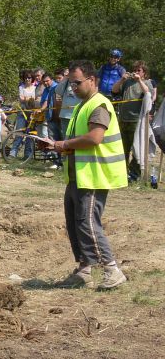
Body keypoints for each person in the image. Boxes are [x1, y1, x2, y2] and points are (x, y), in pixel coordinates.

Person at [42, 60, 128, 289]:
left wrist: (65, 143)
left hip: (94, 176)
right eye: (70, 83)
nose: (73, 88)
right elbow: (79, 142)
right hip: (78, 176)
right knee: (74, 222)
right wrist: (57, 146)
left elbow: (94, 138)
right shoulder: (82, 105)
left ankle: (112, 269)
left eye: (77, 83)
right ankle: (84, 270)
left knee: (87, 222)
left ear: (92, 80)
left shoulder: (99, 104)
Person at [111, 60, 153, 181]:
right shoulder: (127, 82)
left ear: (144, 72)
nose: (135, 72)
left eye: (138, 70)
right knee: (122, 148)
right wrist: (122, 80)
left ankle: (134, 174)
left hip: (137, 121)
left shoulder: (147, 83)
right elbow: (114, 91)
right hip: (123, 119)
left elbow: (148, 93)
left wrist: (139, 80)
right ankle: (122, 172)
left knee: (136, 148)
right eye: (134, 70)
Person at [8, 70, 37, 160]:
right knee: (19, 132)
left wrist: (27, 99)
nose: (27, 79)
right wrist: (30, 98)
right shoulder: (21, 87)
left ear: (32, 78)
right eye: (26, 78)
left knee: (30, 134)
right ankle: (13, 152)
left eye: (29, 78)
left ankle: (27, 154)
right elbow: (21, 98)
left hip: (32, 113)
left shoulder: (35, 87)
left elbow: (35, 99)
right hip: (22, 112)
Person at [39, 72, 63, 169]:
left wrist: (42, 108)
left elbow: (46, 103)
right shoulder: (45, 90)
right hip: (50, 117)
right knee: (52, 140)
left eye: (47, 81)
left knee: (62, 139)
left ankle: (63, 162)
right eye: (44, 82)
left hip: (59, 117)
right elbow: (44, 101)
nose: (46, 83)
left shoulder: (58, 87)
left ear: (51, 80)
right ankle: (56, 162)